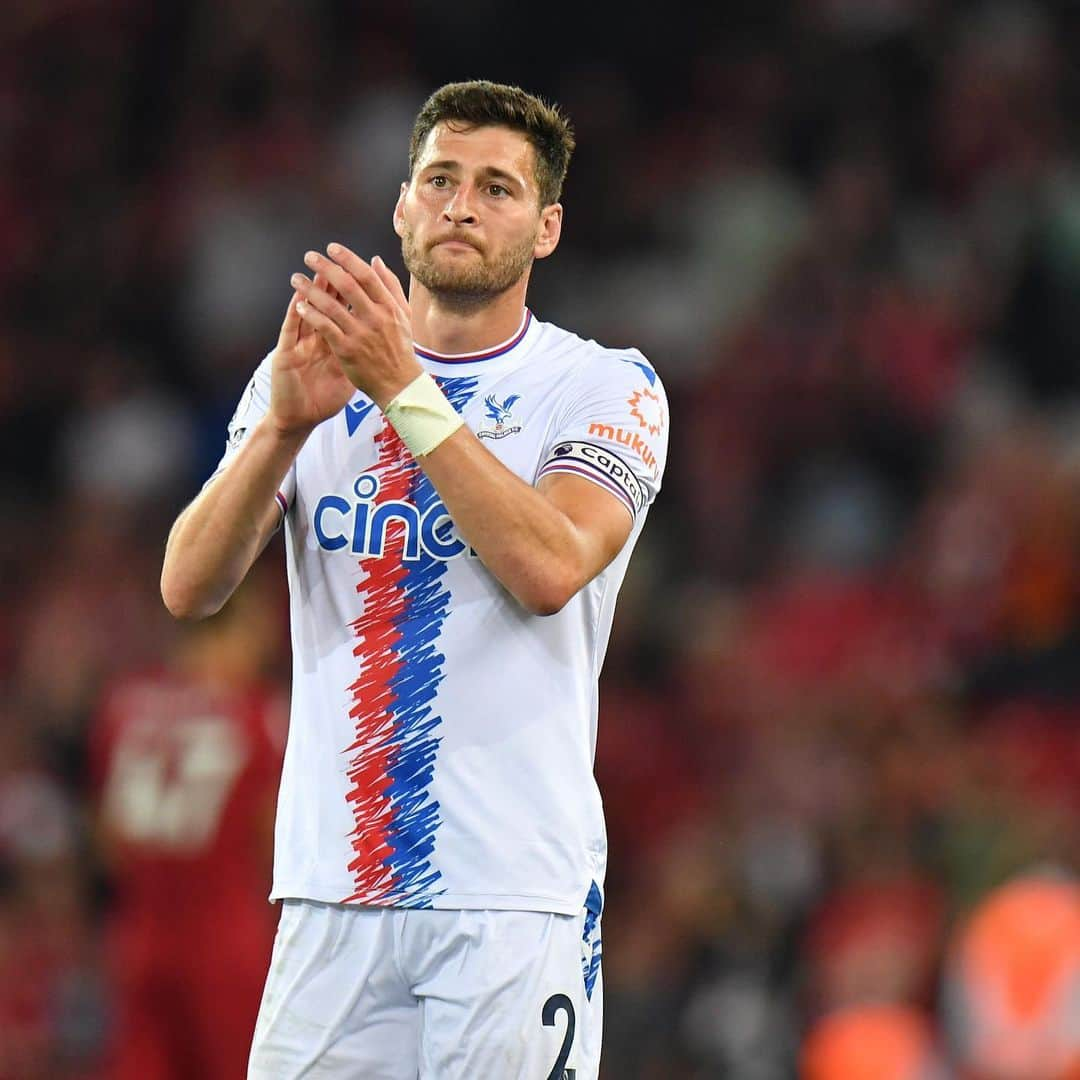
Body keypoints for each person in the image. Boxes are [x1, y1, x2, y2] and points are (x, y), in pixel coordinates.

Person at [161, 79, 669, 1080]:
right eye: (439, 179)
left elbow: (550, 564)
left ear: (547, 226)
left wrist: (400, 386)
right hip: (330, 892)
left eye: (496, 187)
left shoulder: (604, 385)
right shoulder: (305, 382)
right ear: (402, 206)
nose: (462, 205)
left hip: (511, 898)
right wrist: (281, 429)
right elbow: (189, 586)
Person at [91, 574, 287, 1079]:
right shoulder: (260, 715)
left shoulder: (124, 706)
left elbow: (109, 842)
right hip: (227, 943)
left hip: (137, 943)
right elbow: (271, 843)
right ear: (237, 624)